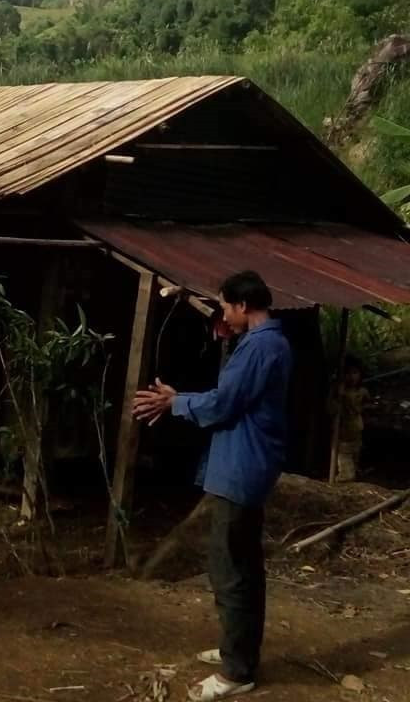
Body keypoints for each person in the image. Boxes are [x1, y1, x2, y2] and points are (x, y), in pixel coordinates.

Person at [134, 271, 291, 702]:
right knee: (239, 566)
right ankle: (235, 649)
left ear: (243, 305)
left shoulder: (261, 347)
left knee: (231, 569)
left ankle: (237, 669)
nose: (222, 313)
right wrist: (181, 398)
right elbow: (229, 396)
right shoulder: (264, 343)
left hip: (243, 467)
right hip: (243, 463)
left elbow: (224, 402)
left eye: (225, 306)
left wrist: (174, 401)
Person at [329, 354, 368, 483]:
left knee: (354, 466)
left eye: (355, 373)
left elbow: (366, 407)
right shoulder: (337, 393)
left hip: (356, 436)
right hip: (343, 439)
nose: (351, 377)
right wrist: (338, 397)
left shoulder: (362, 392)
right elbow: (330, 409)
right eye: (347, 373)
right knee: (346, 474)